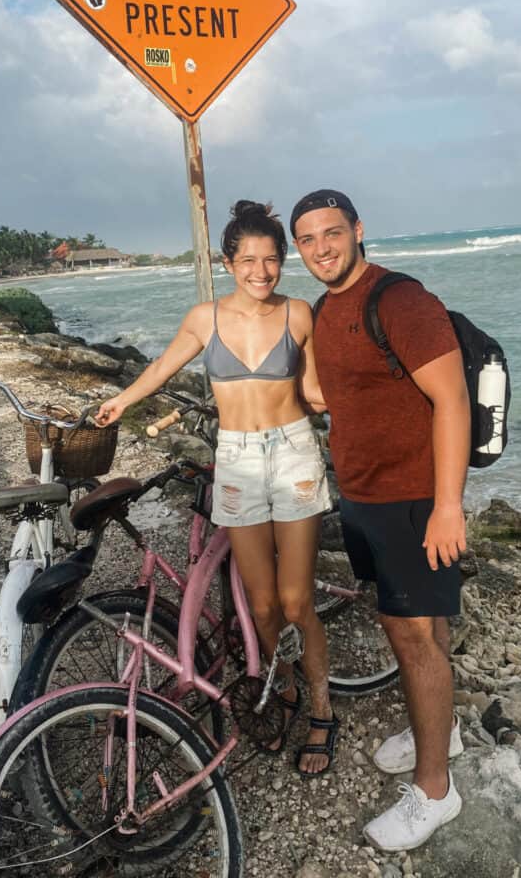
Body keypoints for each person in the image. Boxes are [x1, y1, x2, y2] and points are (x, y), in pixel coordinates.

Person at [96, 200, 339, 777]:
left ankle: (323, 710)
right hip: (235, 457)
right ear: (228, 261)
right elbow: (161, 367)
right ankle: (278, 686)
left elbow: (317, 392)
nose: (262, 271)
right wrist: (122, 401)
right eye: (249, 260)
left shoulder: (300, 314)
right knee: (259, 604)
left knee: (296, 600)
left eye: (273, 260)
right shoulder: (204, 319)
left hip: (295, 453)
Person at [290, 189, 470, 849]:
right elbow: (325, 393)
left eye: (332, 233)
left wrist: (447, 507)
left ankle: (434, 791)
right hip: (364, 496)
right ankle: (442, 730)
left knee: (411, 637)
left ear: (358, 230)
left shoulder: (400, 301)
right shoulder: (325, 308)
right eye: (307, 240)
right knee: (423, 623)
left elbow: (452, 401)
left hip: (416, 497)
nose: (321, 249)